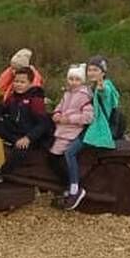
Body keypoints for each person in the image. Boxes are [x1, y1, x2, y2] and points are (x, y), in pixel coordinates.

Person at [0, 65, 51, 176]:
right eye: (16, 81)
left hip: (27, 136)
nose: (18, 85)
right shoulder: (13, 97)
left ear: (30, 84)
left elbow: (43, 124)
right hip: (12, 130)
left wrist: (28, 138)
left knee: (20, 151)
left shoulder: (35, 100)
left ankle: (0, 174)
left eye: (22, 82)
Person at [49, 64, 94, 210]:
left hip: (72, 130)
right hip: (62, 129)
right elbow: (60, 107)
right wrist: (56, 114)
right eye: (71, 79)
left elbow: (88, 117)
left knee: (67, 155)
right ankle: (64, 183)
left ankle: (74, 186)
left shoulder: (84, 95)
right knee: (53, 155)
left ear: (82, 81)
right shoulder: (67, 93)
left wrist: (69, 119)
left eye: (76, 79)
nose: (73, 82)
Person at [83, 56, 121, 152]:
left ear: (103, 73)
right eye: (89, 70)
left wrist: (101, 88)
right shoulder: (91, 87)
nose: (91, 73)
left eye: (95, 70)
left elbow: (105, 93)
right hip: (92, 125)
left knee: (70, 151)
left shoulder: (106, 86)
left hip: (100, 130)